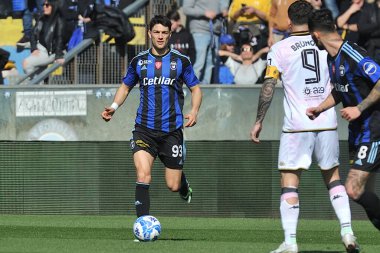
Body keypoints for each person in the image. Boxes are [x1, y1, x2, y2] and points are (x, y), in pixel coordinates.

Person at [250, 1, 359, 252]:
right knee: (333, 178)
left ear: (289, 22)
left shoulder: (279, 49)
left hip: (297, 125)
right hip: (327, 121)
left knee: (289, 182)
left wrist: (258, 121)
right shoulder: (327, 42)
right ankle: (347, 232)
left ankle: (290, 242)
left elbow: (269, 86)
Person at [101, 15, 202, 218]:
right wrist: (114, 106)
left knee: (172, 185)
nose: (160, 36)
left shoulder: (181, 61)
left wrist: (194, 110)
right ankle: (142, 225)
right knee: (143, 175)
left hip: (172, 130)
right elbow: (126, 86)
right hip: (144, 129)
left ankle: (183, 184)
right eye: (156, 32)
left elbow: (195, 88)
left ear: (170, 35)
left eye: (164, 32)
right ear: (149, 34)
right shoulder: (138, 61)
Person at [306, 8, 380, 233]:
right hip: (357, 133)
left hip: (373, 130)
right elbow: (340, 91)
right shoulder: (332, 58)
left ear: (315, 35)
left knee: (354, 189)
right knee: (363, 191)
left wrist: (358, 108)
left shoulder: (353, 54)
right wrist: (320, 107)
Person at [183, 0, 230, 84]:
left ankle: (205, 92)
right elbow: (186, 9)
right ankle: (193, 92)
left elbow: (223, 4)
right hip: (200, 30)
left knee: (210, 65)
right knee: (199, 63)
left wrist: (224, 9)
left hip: (215, 32)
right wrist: (204, 13)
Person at [22, 0, 65, 76]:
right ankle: (39, 85)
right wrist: (34, 48)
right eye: (43, 5)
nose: (44, 7)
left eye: (47, 5)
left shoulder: (59, 20)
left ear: (53, 6)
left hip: (49, 52)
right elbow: (33, 34)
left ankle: (34, 86)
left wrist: (58, 55)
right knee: (40, 73)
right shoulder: (41, 18)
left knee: (26, 63)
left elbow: (60, 38)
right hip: (40, 49)